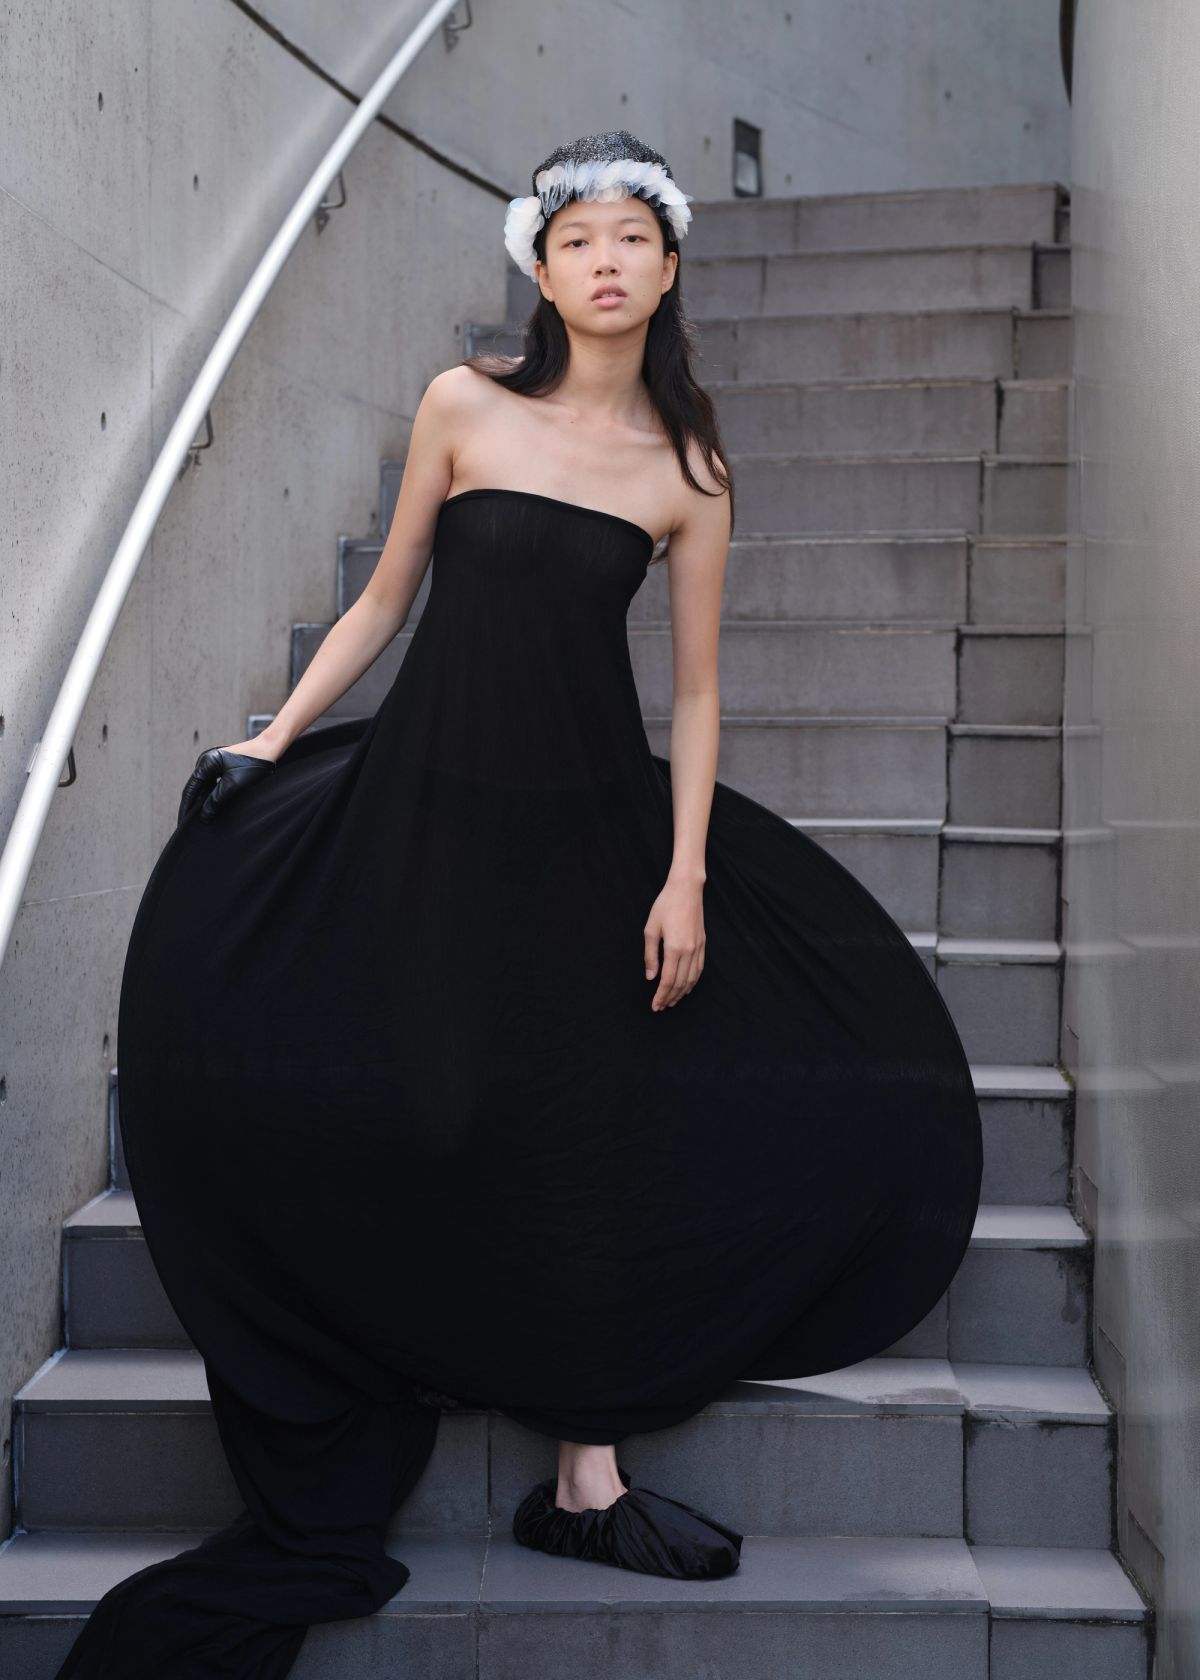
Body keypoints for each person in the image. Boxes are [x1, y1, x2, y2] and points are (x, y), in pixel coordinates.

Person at [54, 130, 982, 1678]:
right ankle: (391, 1318)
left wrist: (685, 875)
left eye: (631, 239)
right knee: (414, 1094)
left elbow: (692, 691)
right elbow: (383, 596)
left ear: (668, 270)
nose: (604, 262)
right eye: (575, 242)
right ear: (539, 269)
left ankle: (586, 1472)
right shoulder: (461, 406)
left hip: (586, 823)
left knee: (593, 1108)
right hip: (423, 800)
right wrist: (276, 738)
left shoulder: (692, 474)